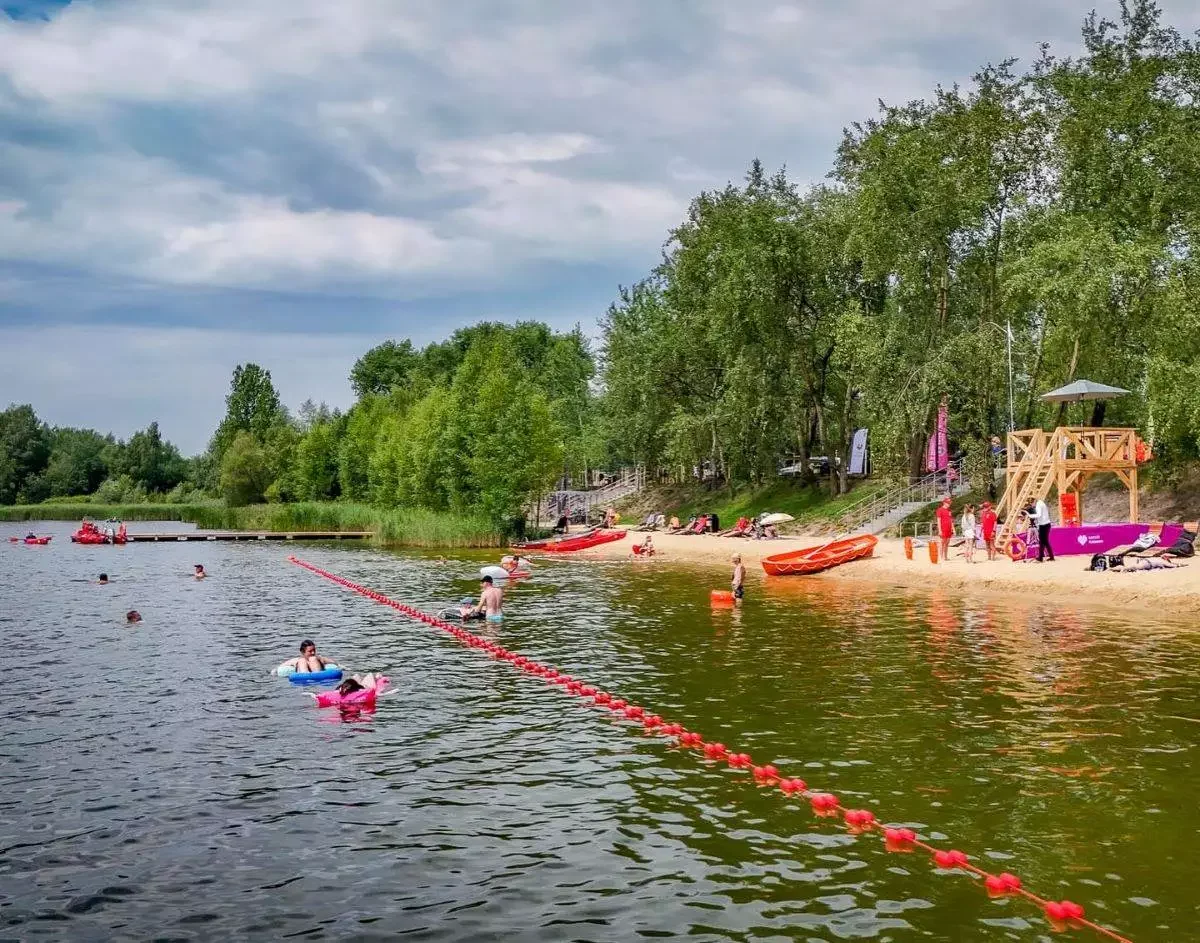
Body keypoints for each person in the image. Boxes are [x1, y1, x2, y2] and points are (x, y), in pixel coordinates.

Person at [935, 497, 953, 563]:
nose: (949, 504)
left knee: (947, 543)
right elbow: (938, 521)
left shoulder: (949, 510)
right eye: (948, 503)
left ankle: (945, 556)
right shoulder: (940, 510)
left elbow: (951, 520)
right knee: (942, 543)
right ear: (944, 503)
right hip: (943, 529)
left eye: (949, 503)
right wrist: (940, 530)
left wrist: (952, 529)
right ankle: (941, 557)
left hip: (949, 529)